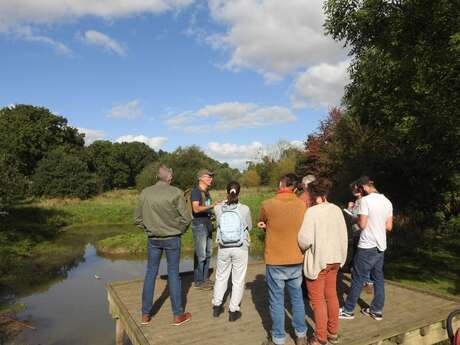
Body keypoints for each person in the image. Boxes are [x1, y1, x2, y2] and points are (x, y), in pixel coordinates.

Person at [134, 165, 192, 326]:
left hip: (153, 239)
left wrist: (150, 229)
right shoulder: (175, 192)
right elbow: (186, 218)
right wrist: (178, 230)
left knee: (150, 273)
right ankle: (178, 315)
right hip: (172, 238)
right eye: (171, 175)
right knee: (173, 273)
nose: (172, 178)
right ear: (169, 177)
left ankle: (145, 315)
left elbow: (137, 219)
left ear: (157, 177)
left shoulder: (145, 192)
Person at [258, 173, 308, 345]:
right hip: (296, 257)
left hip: (275, 260)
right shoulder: (303, 205)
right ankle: (301, 336)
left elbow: (263, 221)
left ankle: (278, 339)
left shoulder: (267, 204)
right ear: (295, 188)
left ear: (280, 184)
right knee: (297, 298)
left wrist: (265, 227)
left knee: (276, 301)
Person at [298, 179, 348, 345]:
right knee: (332, 296)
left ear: (313, 194)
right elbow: (343, 236)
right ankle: (332, 332)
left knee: (318, 301)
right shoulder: (337, 210)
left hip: (319, 261)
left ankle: (320, 338)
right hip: (335, 259)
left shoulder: (312, 212)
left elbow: (304, 240)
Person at [339, 176, 393, 321]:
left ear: (362, 188)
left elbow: (362, 225)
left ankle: (348, 310)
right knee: (378, 278)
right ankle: (376, 310)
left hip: (367, 244)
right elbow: (389, 226)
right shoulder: (387, 201)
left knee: (357, 277)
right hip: (380, 245)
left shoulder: (365, 201)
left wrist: (353, 218)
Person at [212, 181, 252, 321]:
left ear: (226, 191)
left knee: (221, 277)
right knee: (238, 280)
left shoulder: (218, 208)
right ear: (239, 192)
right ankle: (233, 310)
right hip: (240, 247)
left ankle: (217, 307)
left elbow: (217, 223)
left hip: (223, 247)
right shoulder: (245, 209)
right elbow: (250, 227)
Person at [191, 169, 219, 290]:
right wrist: (212, 205)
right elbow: (196, 209)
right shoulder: (196, 192)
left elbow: (206, 208)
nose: (211, 179)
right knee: (201, 254)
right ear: (200, 178)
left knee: (208, 254)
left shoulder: (206, 192)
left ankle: (205, 279)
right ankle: (198, 281)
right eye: (209, 177)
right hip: (199, 225)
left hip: (207, 225)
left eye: (211, 177)